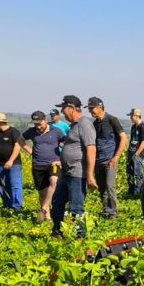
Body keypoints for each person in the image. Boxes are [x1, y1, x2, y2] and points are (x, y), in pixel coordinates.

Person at [51, 95, 97, 238]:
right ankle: (57, 232)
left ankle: (80, 237)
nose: (63, 112)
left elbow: (91, 148)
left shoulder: (85, 124)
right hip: (66, 172)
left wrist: (89, 175)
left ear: (71, 108)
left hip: (78, 174)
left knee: (76, 207)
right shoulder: (74, 126)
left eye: (64, 108)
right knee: (57, 203)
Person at [16, 111, 66, 222]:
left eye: (40, 123)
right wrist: (30, 151)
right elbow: (20, 139)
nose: (38, 126)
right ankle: (47, 216)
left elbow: (66, 142)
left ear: (45, 120)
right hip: (38, 165)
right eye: (35, 124)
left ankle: (43, 208)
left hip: (53, 164)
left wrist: (63, 157)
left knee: (54, 182)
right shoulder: (32, 132)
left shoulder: (56, 131)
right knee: (42, 192)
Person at [86, 97, 127, 219]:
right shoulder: (95, 124)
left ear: (100, 107)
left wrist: (116, 157)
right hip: (98, 160)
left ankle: (113, 213)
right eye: (89, 109)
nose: (90, 111)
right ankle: (106, 211)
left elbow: (124, 138)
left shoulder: (112, 120)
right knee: (102, 188)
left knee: (110, 187)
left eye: (92, 108)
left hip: (110, 160)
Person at [0, 112, 24, 211]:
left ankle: (17, 207)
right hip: (0, 164)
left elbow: (18, 146)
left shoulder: (13, 132)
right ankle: (7, 205)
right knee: (2, 186)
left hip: (14, 164)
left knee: (15, 185)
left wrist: (11, 160)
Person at [126, 108, 144, 197]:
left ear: (137, 116)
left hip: (138, 154)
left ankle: (138, 192)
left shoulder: (143, 127)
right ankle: (131, 190)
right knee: (129, 172)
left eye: (131, 116)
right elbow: (132, 140)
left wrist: (137, 153)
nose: (130, 118)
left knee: (138, 173)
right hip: (131, 152)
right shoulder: (133, 127)